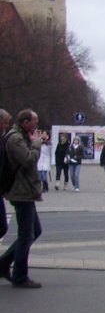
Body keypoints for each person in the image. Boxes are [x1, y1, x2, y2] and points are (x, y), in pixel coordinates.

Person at [0, 109, 44, 288]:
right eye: (34, 121)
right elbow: (27, 161)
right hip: (21, 191)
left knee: (35, 230)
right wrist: (36, 144)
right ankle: (20, 276)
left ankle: (3, 263)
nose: (36, 125)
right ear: (25, 122)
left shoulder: (20, 136)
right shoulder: (16, 139)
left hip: (26, 191)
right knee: (26, 235)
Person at [0, 108, 10, 242]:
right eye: (5, 123)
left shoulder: (2, 139)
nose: (7, 126)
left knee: (2, 226)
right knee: (2, 225)